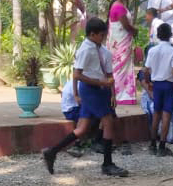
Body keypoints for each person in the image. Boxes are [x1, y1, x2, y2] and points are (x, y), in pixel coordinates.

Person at [42, 18, 127, 177]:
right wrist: (95, 84)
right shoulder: (85, 50)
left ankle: (52, 152)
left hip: (102, 89)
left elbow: (109, 74)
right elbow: (77, 74)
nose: (103, 38)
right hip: (91, 90)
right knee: (108, 123)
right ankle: (107, 164)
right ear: (92, 34)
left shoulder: (103, 51)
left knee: (82, 128)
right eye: (101, 35)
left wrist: (113, 93)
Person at [144, 22, 173, 158]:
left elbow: (146, 70)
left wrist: (148, 82)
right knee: (166, 116)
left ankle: (153, 144)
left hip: (157, 85)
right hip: (169, 85)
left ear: (158, 35)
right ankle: (162, 146)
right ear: (170, 35)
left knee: (156, 114)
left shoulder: (152, 50)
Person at [106, 0, 140, 108]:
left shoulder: (115, 5)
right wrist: (135, 30)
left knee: (119, 68)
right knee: (120, 68)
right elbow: (126, 25)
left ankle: (123, 95)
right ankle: (121, 95)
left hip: (118, 42)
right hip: (121, 44)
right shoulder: (119, 7)